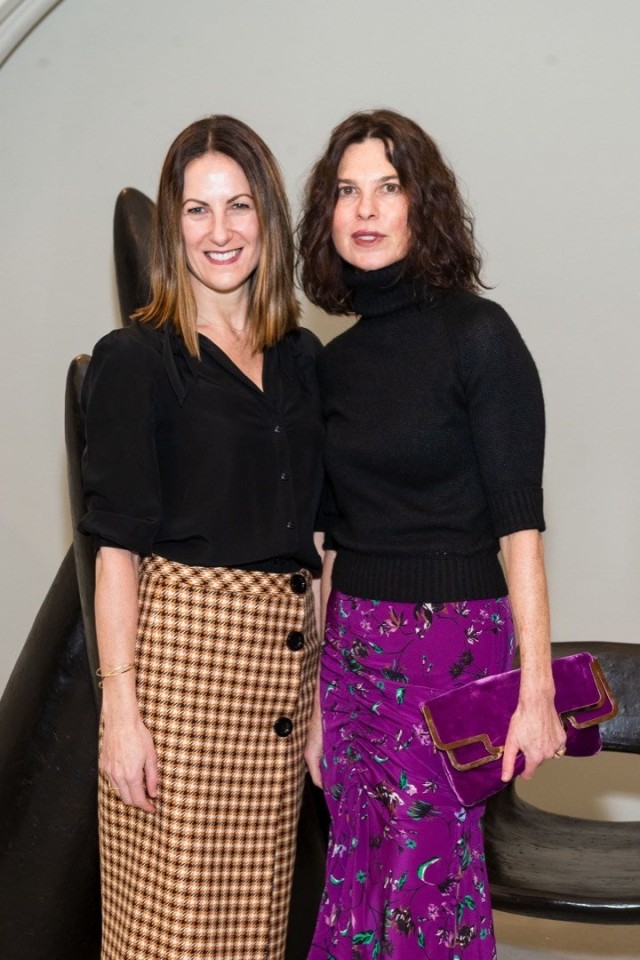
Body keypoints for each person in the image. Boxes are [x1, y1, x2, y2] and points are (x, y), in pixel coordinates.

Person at [298, 109, 566, 960]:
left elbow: (522, 529)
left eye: (388, 187)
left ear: (425, 206)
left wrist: (535, 692)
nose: (366, 209)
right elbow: (329, 548)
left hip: (453, 651)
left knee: (428, 883)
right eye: (347, 190)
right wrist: (314, 706)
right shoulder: (331, 365)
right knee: (353, 881)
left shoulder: (480, 337)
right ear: (327, 214)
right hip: (351, 660)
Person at [79, 115, 324, 960]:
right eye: (196, 209)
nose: (220, 232)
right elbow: (115, 549)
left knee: (256, 936)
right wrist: (121, 711)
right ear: (171, 227)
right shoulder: (136, 359)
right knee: (168, 938)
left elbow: (317, 541)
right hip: (183, 684)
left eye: (240, 206)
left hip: (282, 688)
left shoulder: (301, 361)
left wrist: (321, 694)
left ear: (270, 220)